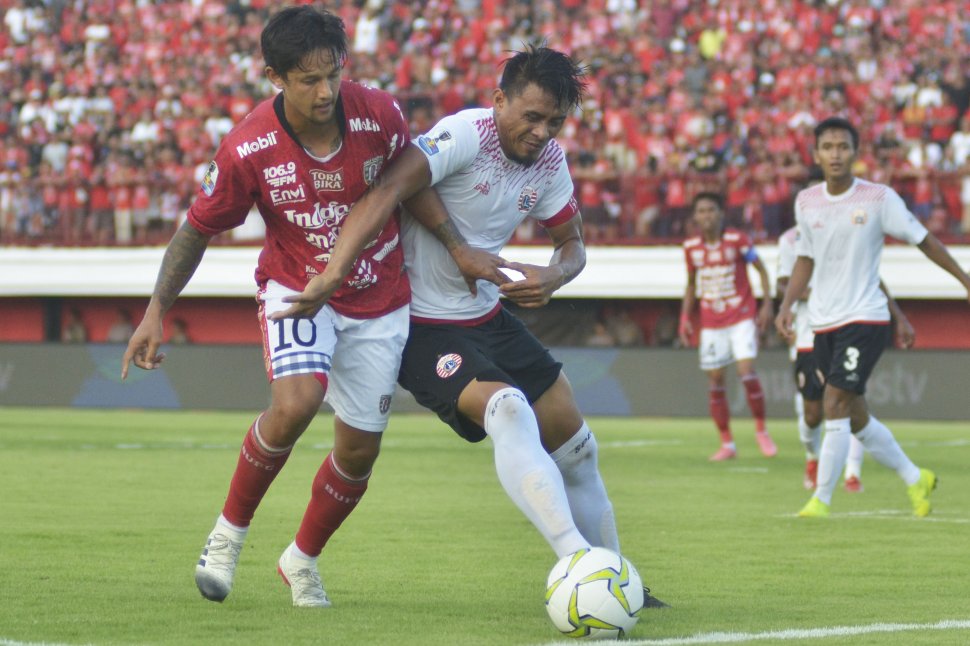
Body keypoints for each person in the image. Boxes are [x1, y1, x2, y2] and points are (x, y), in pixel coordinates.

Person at [274, 44, 668, 608]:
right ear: (499, 98)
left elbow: (573, 244)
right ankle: (580, 566)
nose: (541, 132)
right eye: (530, 116)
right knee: (507, 409)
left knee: (577, 449)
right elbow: (393, 186)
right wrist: (440, 252)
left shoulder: (551, 164)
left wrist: (554, 276)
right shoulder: (464, 134)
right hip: (417, 324)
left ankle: (622, 578)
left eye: (554, 121)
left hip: (488, 314)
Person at [121, 6, 444, 607]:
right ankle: (226, 537)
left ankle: (301, 560)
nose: (325, 92)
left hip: (379, 297)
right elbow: (196, 229)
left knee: (359, 451)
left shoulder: (381, 115)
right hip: (296, 290)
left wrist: (457, 250)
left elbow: (412, 190)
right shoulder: (248, 147)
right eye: (308, 80)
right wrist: (154, 310)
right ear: (274, 75)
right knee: (297, 403)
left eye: (333, 75)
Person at [777, 116, 970, 518]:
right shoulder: (806, 202)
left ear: (856, 153)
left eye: (843, 147)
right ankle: (916, 477)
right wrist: (785, 305)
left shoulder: (879, 198)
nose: (835, 154)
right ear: (816, 155)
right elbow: (805, 261)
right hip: (823, 323)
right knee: (856, 416)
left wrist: (964, 279)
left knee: (833, 402)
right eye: (827, 147)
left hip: (865, 318)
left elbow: (924, 240)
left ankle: (821, 501)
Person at [776, 225, 916, 491]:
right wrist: (799, 300)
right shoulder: (789, 240)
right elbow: (783, 282)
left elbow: (872, 278)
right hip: (809, 335)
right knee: (813, 414)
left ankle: (851, 474)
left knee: (848, 402)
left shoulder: (850, 233)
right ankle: (812, 457)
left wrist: (899, 316)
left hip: (851, 329)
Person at [678, 192, 777, 461]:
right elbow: (690, 284)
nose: (706, 216)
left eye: (711, 210)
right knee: (716, 381)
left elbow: (762, 270)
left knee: (746, 372)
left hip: (742, 316)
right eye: (701, 211)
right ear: (695, 217)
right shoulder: (691, 248)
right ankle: (727, 443)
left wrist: (767, 304)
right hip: (711, 321)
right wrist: (686, 318)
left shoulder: (738, 241)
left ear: (721, 214)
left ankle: (761, 430)